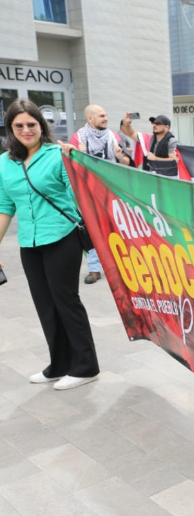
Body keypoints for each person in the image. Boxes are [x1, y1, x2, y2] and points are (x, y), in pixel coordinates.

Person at [0, 100, 100, 391]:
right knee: (44, 304)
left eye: (31, 124)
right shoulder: (4, 162)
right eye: (19, 125)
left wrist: (77, 163)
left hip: (62, 236)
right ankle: (59, 364)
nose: (26, 130)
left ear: (41, 125)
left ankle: (86, 366)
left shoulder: (57, 154)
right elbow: (5, 206)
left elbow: (78, 193)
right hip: (29, 242)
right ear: (10, 129)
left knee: (66, 300)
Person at [70, 104, 130, 285]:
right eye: (102, 116)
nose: (106, 118)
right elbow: (69, 166)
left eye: (106, 115)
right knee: (92, 230)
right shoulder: (78, 138)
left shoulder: (114, 137)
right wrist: (78, 155)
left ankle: (120, 268)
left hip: (111, 191)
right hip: (88, 193)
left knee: (116, 229)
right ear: (90, 118)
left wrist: (119, 156)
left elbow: (127, 163)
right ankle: (94, 269)